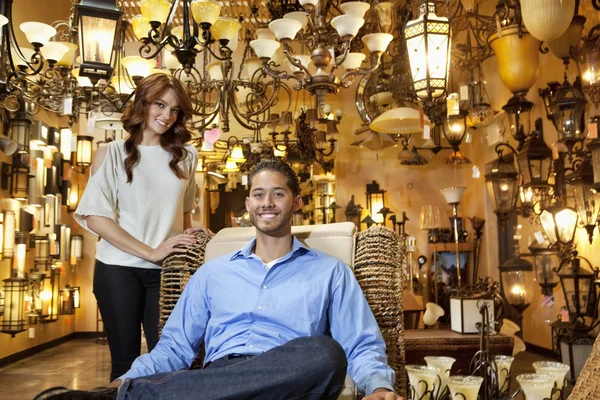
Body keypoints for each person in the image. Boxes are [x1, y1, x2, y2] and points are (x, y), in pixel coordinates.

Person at [37, 159, 401, 400]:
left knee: (325, 353)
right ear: (248, 205)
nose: (267, 202)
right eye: (258, 194)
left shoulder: (330, 271)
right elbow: (174, 347)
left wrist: (380, 386)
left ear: (297, 202)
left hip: (293, 378)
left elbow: (360, 343)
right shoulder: (213, 272)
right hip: (221, 374)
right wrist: (126, 378)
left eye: (278, 193)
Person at [73, 73, 203, 382]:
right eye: (160, 104)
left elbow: (184, 218)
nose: (167, 116)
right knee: (125, 366)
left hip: (167, 274)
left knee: (171, 363)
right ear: (142, 104)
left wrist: (198, 237)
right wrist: (151, 251)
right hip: (118, 270)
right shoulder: (112, 153)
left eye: (175, 110)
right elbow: (96, 218)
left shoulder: (187, 157)